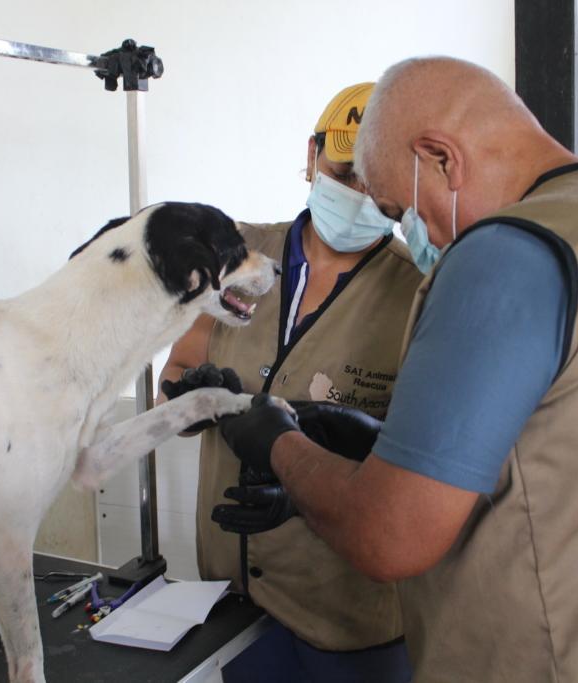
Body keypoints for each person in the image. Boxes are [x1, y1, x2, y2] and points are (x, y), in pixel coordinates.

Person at [218, 57, 578, 682]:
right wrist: (380, 445)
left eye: (400, 211)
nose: (419, 235)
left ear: (441, 158)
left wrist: (280, 444)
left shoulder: (503, 253)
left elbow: (390, 537)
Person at [158, 83, 423, 682]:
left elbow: (418, 467)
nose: (357, 194)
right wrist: (195, 399)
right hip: (230, 604)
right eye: (343, 173)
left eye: (374, 181)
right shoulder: (235, 256)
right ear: (311, 155)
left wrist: (302, 495)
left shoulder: (417, 292)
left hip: (348, 620)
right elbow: (172, 376)